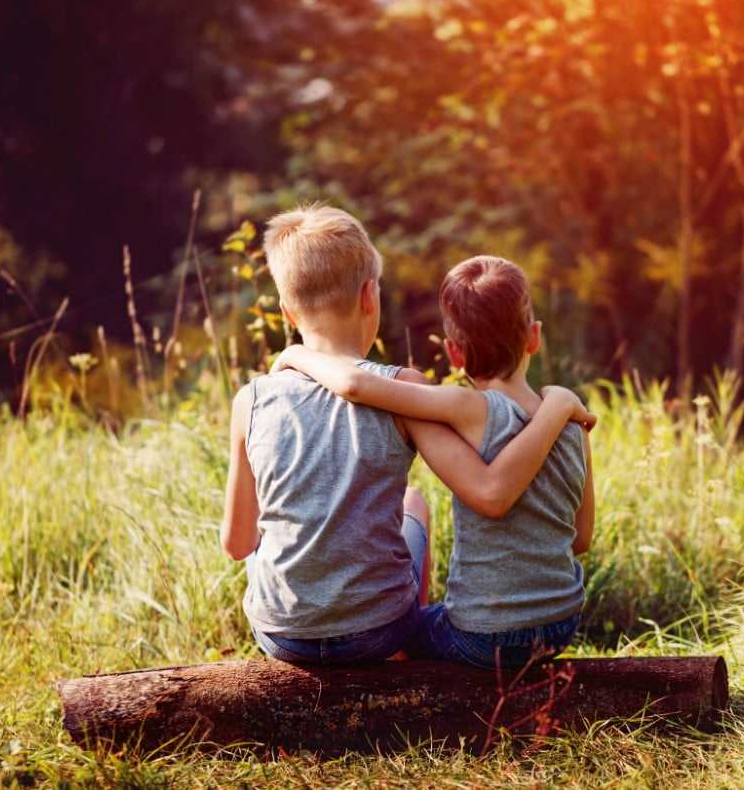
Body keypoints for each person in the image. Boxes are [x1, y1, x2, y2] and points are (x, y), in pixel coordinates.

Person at [221, 206, 594, 665]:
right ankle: (397, 657)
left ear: (285, 313)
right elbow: (548, 521)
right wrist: (557, 404)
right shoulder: (405, 388)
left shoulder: (250, 401)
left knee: (262, 556)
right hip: (382, 632)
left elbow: (237, 544)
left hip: (283, 637)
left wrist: (294, 355)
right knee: (412, 505)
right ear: (369, 297)